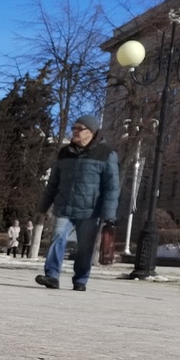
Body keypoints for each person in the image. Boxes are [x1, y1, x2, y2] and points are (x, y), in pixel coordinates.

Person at [36, 115, 120, 291]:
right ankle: (52, 275)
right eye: (73, 128)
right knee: (58, 237)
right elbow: (53, 183)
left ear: (91, 132)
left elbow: (112, 187)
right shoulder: (65, 153)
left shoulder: (106, 154)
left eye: (79, 129)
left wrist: (109, 216)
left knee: (85, 247)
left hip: (90, 211)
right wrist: (42, 207)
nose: (74, 132)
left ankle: (81, 279)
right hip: (64, 206)